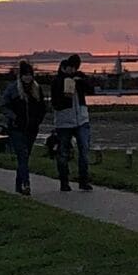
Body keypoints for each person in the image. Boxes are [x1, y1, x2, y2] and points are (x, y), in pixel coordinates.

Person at [2, 60, 47, 196]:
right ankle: (25, 183)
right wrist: (14, 118)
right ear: (21, 75)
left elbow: (42, 108)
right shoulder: (13, 89)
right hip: (17, 128)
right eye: (25, 74)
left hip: (31, 129)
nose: (28, 77)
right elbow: (4, 105)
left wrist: (37, 121)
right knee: (22, 155)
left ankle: (18, 185)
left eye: (30, 74)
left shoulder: (36, 89)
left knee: (25, 158)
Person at [51, 54, 93, 191]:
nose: (72, 70)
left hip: (81, 119)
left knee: (84, 150)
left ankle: (84, 181)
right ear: (63, 68)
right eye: (69, 68)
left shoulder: (80, 77)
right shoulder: (57, 81)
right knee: (63, 153)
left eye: (74, 68)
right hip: (64, 122)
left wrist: (81, 81)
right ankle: (64, 182)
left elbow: (91, 90)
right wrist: (66, 88)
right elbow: (56, 103)